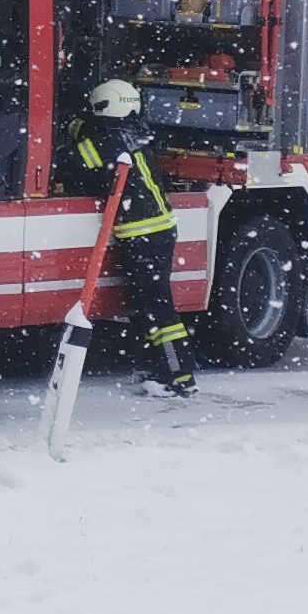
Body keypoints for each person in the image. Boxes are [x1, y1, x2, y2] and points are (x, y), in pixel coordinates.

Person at [67, 76, 194, 396]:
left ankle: (178, 374)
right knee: (148, 302)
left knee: (156, 304)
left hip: (142, 234)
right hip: (159, 229)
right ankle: (159, 368)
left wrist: (75, 129)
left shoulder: (104, 139)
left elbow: (78, 171)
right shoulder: (139, 133)